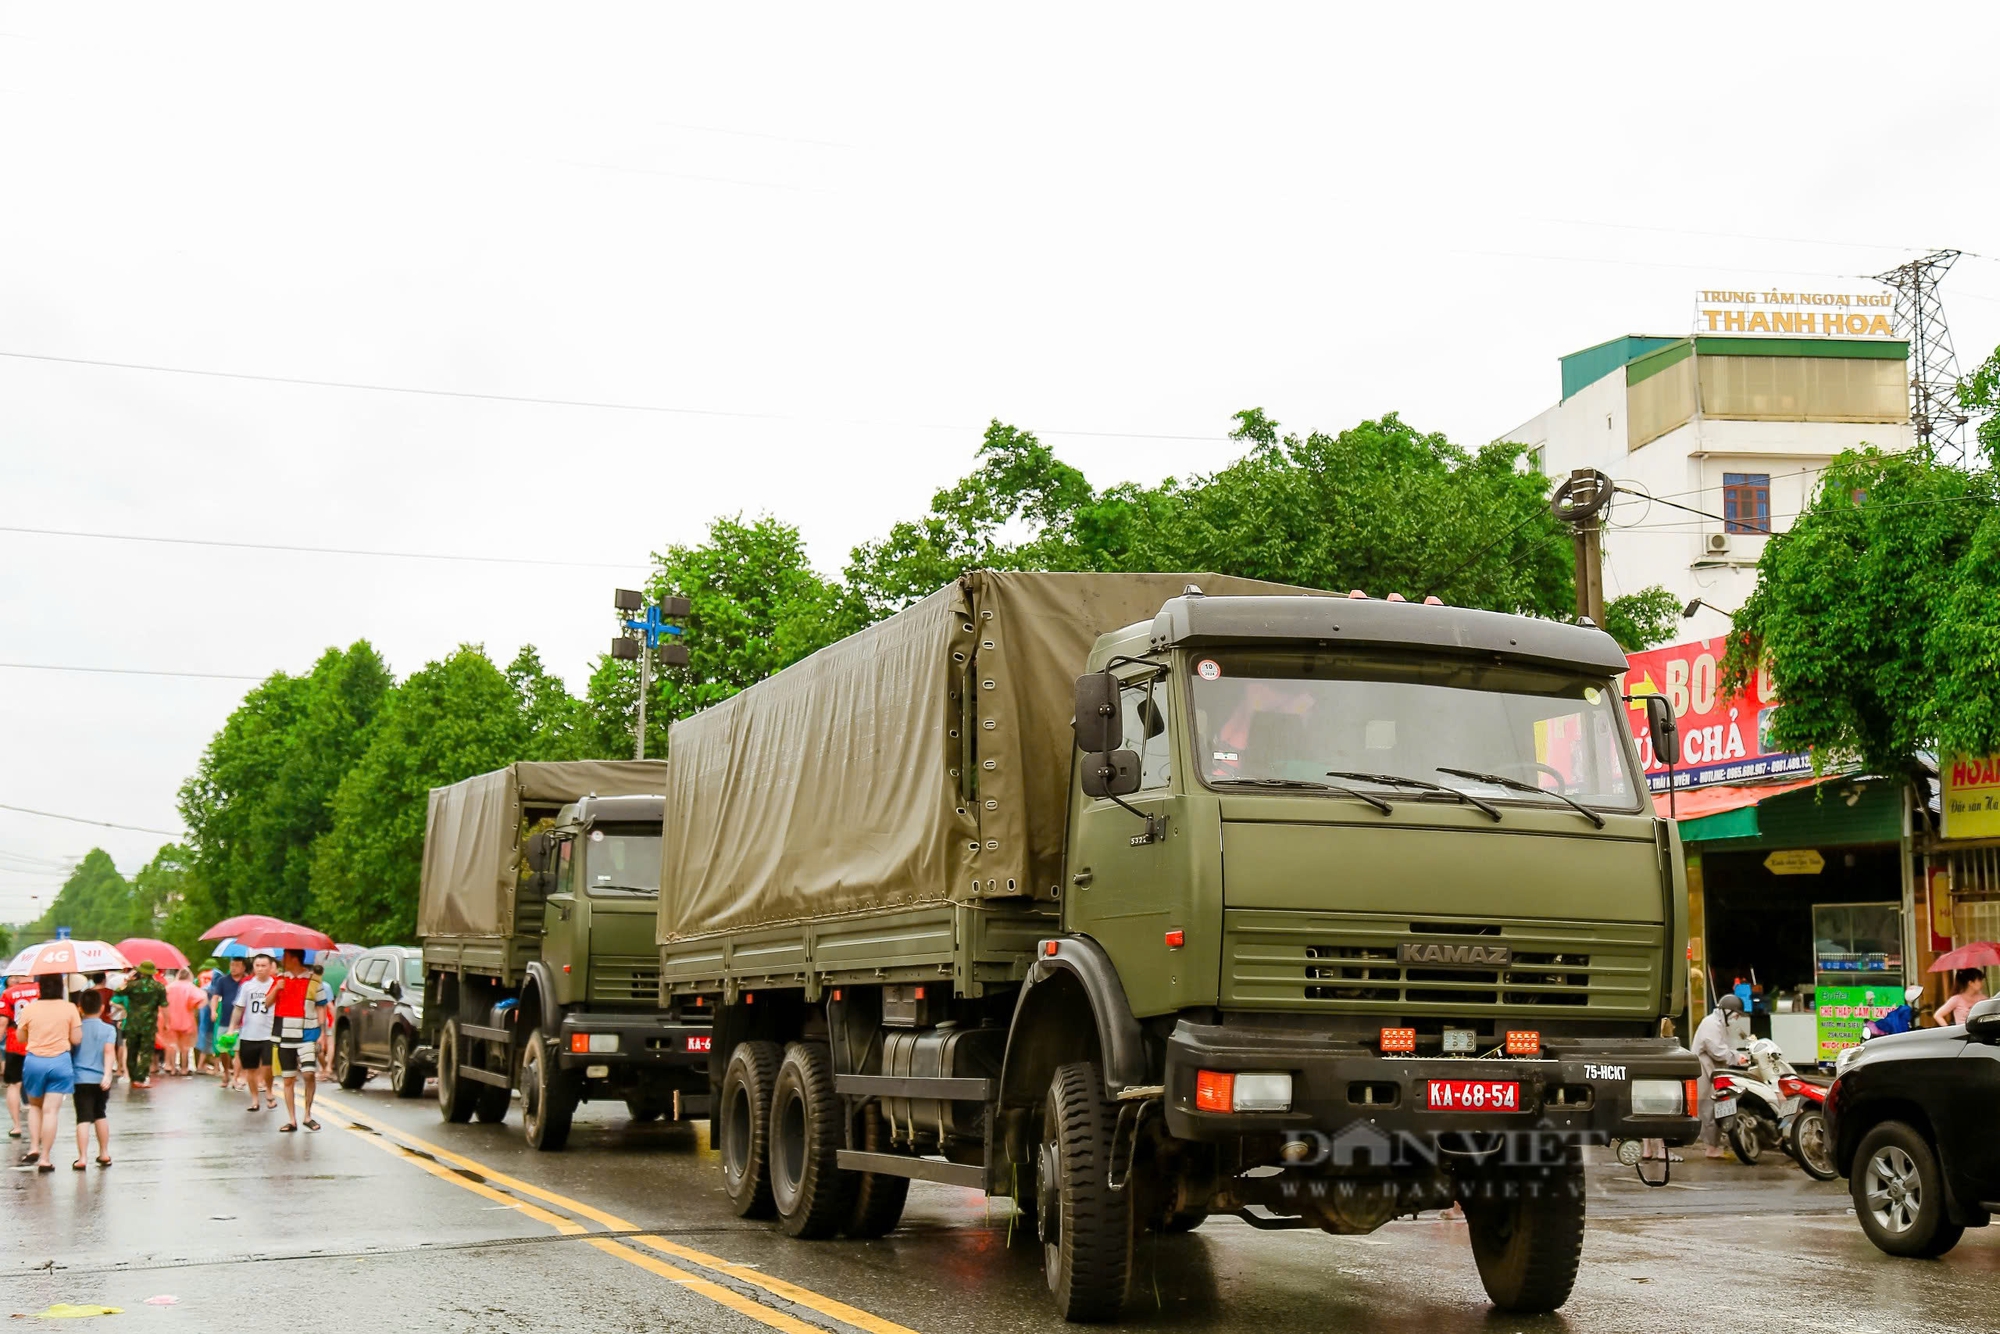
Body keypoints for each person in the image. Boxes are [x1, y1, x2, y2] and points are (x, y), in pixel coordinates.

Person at [16, 974, 82, 1172]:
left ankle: (34, 1146)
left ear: (40, 988)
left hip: (34, 1061)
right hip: (60, 1061)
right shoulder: (69, 1008)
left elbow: (20, 1038)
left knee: (35, 1107)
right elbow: (77, 1039)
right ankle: (45, 1158)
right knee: (51, 1111)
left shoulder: (30, 1008)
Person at [269, 950, 332, 1131]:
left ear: (294, 959)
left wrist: (322, 1033)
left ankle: (307, 1114)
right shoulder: (279, 979)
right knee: (288, 1078)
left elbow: (321, 1007)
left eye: (286, 957)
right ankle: (292, 1119)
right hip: (284, 1033)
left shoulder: (314, 981)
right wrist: (276, 989)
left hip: (308, 1033)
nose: (282, 961)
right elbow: (266, 1004)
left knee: (308, 1073)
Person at [1690, 993, 1750, 1159]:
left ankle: (1714, 1144)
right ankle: (1711, 1147)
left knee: (1715, 1106)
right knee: (1709, 1107)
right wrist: (1738, 1058)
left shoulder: (1720, 1023)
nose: (1736, 1019)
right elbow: (1718, 1051)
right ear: (1727, 1011)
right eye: (1736, 1015)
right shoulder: (1711, 1024)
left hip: (1714, 1069)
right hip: (1705, 1069)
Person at [70, 990, 117, 1169]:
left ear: (80, 1008)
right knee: (100, 1114)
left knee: (83, 1118)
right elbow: (108, 1052)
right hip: (100, 1079)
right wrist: (107, 1074)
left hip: (80, 1078)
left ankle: (82, 1157)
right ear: (102, 1008)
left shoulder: (76, 1029)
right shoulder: (108, 1029)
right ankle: (104, 1153)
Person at [227, 954, 280, 1112]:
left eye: (264, 966)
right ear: (253, 967)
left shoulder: (276, 985)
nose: (260, 969)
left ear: (270, 967)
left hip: (269, 1033)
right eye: (257, 965)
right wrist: (232, 1028)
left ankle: (269, 1090)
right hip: (249, 1033)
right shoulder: (247, 986)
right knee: (250, 1069)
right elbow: (239, 1008)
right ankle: (255, 1099)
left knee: (268, 1066)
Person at [2, 971, 40, 1142]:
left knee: (13, 1085)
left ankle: (17, 1126)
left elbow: (3, 1021)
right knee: (39, 1085)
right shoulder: (42, 990)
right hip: (39, 1042)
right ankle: (39, 1123)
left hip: (15, 1042)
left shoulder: (9, 993)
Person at [121, 960, 168, 1087]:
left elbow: (118, 991)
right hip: (149, 1024)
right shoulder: (159, 987)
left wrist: (127, 979)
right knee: (146, 1052)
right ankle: (140, 1079)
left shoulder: (132, 985)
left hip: (132, 1023)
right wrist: (167, 1023)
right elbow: (164, 1006)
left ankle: (132, 1077)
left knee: (132, 1051)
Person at [208, 958, 248, 1089]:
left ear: (243, 968)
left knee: (239, 1051)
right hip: (225, 1020)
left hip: (242, 1022)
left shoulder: (247, 982)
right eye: (232, 965)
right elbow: (215, 997)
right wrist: (213, 1011)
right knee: (223, 1049)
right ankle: (226, 1071)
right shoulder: (223, 981)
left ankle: (236, 1077)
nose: (234, 968)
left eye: (237, 965)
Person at [163, 968, 203, 1076]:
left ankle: (172, 1068)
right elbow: (200, 1000)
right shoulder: (191, 987)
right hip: (186, 1019)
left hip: (171, 1018)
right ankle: (184, 1068)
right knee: (185, 1046)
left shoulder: (169, 987)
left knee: (172, 1045)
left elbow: (163, 1002)